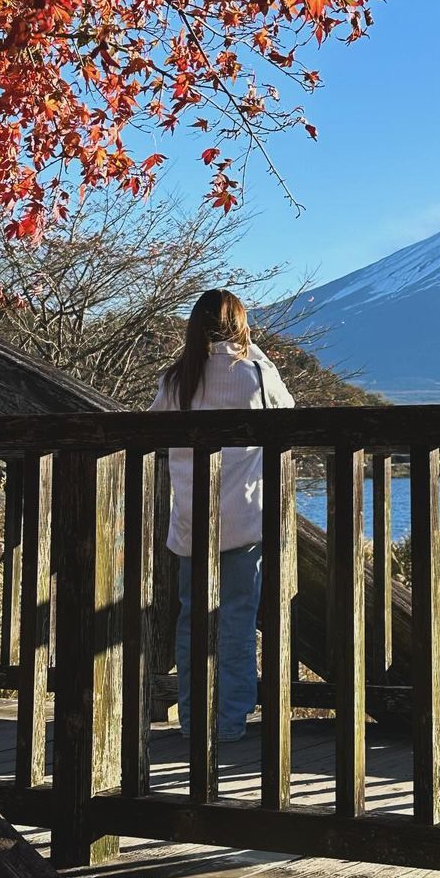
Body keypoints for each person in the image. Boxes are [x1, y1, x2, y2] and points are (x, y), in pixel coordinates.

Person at [150, 288, 294, 741]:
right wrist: (255, 351)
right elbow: (288, 414)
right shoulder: (254, 371)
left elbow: (150, 431)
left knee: (193, 618)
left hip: (192, 521)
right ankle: (229, 720)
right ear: (239, 325)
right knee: (236, 618)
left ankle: (194, 718)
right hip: (245, 518)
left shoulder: (177, 380)